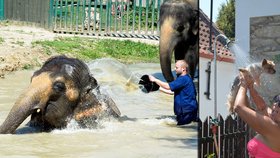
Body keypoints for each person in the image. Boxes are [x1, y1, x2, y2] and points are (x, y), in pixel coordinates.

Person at [234, 69, 280, 157]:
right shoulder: (276, 122)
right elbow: (263, 107)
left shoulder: (272, 126)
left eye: (279, 104)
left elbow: (239, 107)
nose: (274, 105)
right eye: (276, 100)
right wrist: (251, 87)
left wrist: (244, 84)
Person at [149, 60, 198, 125]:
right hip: (187, 111)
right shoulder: (185, 78)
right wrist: (157, 88)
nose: (175, 69)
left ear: (183, 69)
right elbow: (171, 92)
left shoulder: (183, 79)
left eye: (177, 67)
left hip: (186, 112)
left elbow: (168, 86)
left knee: (180, 130)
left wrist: (155, 80)